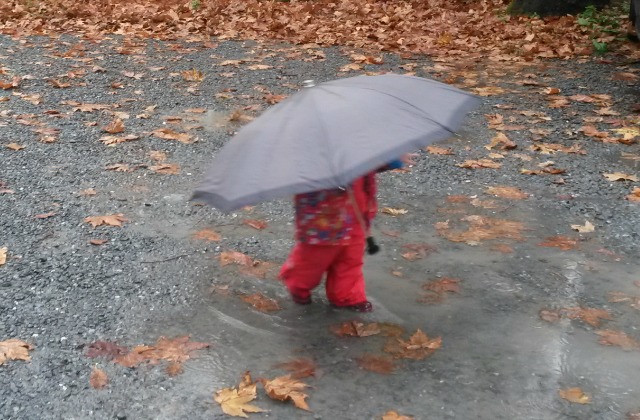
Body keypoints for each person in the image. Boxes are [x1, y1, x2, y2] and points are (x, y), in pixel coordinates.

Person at [279, 159, 405, 313]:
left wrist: (391, 160)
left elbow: (371, 158)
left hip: (357, 215)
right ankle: (298, 284)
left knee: (351, 260)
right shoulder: (310, 150)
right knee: (313, 262)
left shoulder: (356, 142)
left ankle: (347, 296)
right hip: (323, 222)